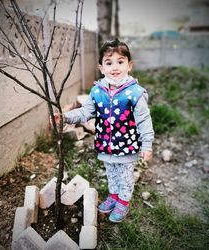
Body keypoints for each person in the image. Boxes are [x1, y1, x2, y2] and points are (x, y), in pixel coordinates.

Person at [54, 38, 154, 223]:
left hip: (126, 146)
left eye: (120, 62)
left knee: (125, 176)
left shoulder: (135, 93)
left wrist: (146, 144)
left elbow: (144, 120)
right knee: (111, 173)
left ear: (129, 66)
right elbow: (86, 112)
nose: (114, 67)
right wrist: (65, 116)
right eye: (109, 63)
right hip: (106, 146)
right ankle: (114, 196)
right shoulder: (97, 91)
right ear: (101, 68)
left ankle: (123, 201)